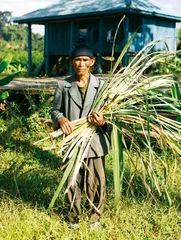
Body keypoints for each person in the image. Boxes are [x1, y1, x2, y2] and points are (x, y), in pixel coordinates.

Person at [51, 43, 110, 227]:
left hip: (95, 141)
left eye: (85, 60)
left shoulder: (101, 86)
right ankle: (73, 219)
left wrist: (102, 122)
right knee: (72, 180)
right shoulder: (64, 85)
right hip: (72, 141)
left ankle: (95, 219)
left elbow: (112, 116)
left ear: (92, 62)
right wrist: (61, 120)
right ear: (71, 62)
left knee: (95, 182)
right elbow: (55, 110)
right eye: (77, 60)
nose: (81, 64)